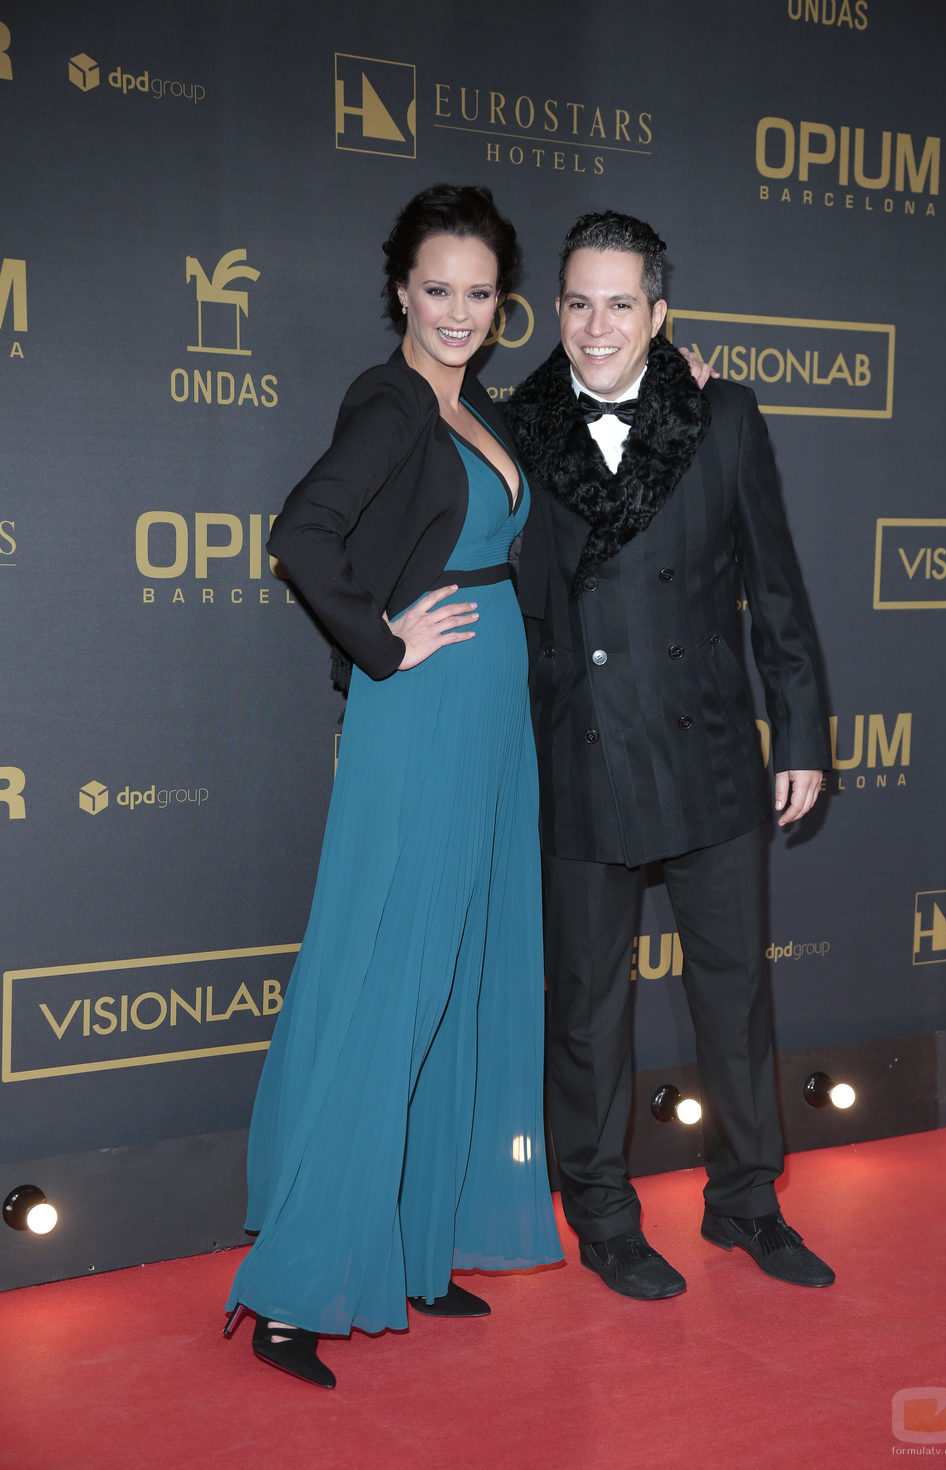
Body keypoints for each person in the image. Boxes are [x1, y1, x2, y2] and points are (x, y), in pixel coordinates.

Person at [223, 184, 562, 1388]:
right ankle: (294, 1289)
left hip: (486, 713)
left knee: (459, 972)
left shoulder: (474, 406)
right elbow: (299, 533)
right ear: (399, 293)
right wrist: (381, 640)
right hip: (421, 708)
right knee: (389, 977)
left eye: (478, 293)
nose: (459, 311)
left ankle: (414, 1247)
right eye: (437, 289)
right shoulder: (388, 400)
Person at [506, 210, 834, 1301]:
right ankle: (599, 1214)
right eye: (575, 303)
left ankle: (746, 1201)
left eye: (618, 304)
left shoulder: (721, 416)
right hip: (580, 754)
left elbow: (773, 587)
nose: (595, 327)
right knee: (588, 1009)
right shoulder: (515, 427)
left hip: (706, 751)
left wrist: (796, 731)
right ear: (555, 311)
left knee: (734, 998)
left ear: (659, 314)